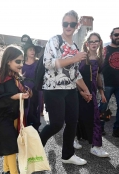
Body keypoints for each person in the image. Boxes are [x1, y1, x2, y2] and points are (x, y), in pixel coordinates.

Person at [39, 10, 91, 166]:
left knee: (72, 122)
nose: (68, 26)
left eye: (72, 24)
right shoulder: (54, 41)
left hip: (70, 90)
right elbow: (48, 63)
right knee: (56, 124)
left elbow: (75, 74)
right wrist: (74, 58)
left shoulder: (74, 46)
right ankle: (34, 152)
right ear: (62, 24)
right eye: (65, 23)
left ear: (77, 25)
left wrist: (85, 90)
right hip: (53, 89)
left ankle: (67, 155)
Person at [0, 45, 32, 174]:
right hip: (1, 118)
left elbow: (19, 97)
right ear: (8, 61)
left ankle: (6, 172)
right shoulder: (0, 80)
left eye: (22, 62)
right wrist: (18, 96)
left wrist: (26, 94)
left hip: (12, 116)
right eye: (18, 62)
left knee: (10, 145)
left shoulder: (15, 78)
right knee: (11, 146)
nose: (21, 65)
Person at [75, 32, 109, 158]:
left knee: (95, 118)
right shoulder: (82, 57)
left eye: (96, 41)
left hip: (92, 92)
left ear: (100, 42)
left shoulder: (100, 59)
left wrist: (101, 92)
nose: (94, 43)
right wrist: (81, 92)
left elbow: (97, 76)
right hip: (80, 91)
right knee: (77, 116)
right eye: (91, 41)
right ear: (87, 43)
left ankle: (96, 146)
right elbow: (75, 75)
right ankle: (74, 138)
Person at [98, 27, 119, 139]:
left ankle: (117, 129)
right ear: (111, 36)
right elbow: (98, 67)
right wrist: (100, 85)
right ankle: (99, 127)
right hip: (107, 84)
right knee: (102, 106)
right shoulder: (105, 50)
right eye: (116, 35)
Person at [21, 34, 42, 131]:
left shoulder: (38, 63)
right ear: (26, 51)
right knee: (25, 112)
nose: (33, 51)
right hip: (23, 91)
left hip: (36, 90)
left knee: (34, 111)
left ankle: (35, 131)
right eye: (30, 50)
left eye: (34, 50)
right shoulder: (21, 64)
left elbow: (41, 78)